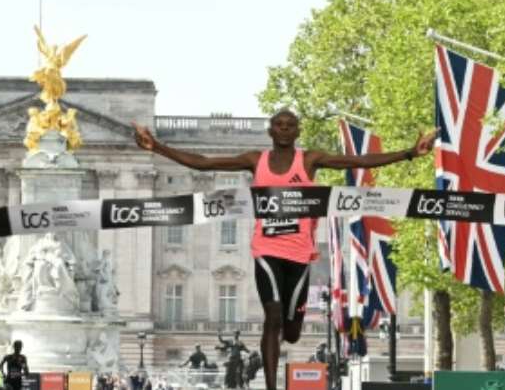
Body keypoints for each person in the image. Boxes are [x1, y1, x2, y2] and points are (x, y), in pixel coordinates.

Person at [133, 110, 437, 390]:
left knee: (291, 331)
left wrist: (410, 153)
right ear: (270, 130)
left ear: (297, 131)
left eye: (290, 125)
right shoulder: (256, 160)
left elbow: (356, 162)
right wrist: (156, 147)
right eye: (279, 124)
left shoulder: (309, 160)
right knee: (273, 315)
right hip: (265, 249)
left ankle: (290, 328)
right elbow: (204, 162)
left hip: (300, 254)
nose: (284, 129)